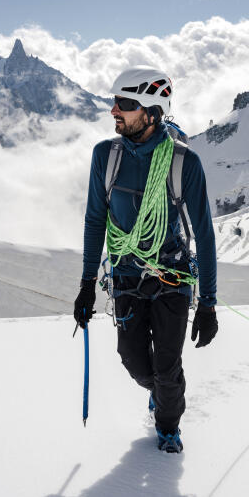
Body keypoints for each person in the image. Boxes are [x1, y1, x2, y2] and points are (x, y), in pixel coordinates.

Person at [73, 66, 218, 454]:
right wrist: (87, 285)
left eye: (125, 104)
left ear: (152, 112)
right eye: (115, 102)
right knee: (135, 363)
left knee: (167, 368)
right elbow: (95, 219)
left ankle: (168, 426)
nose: (114, 111)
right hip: (125, 278)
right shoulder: (106, 156)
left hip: (170, 276)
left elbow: (204, 234)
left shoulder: (183, 163)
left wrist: (208, 304)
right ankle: (162, 391)